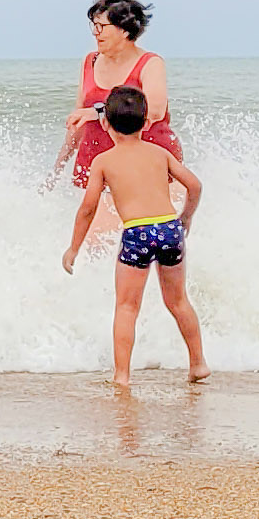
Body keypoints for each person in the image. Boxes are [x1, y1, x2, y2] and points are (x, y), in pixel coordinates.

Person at [60, 84, 207, 386]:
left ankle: (122, 375)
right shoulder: (160, 152)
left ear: (105, 123)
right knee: (178, 301)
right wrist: (186, 217)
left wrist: (73, 248)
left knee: (127, 307)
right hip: (169, 228)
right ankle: (198, 363)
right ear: (145, 122)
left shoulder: (103, 161)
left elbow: (88, 209)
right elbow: (194, 185)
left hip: (137, 233)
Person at [51, 0, 184, 183]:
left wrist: (98, 113)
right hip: (96, 162)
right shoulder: (90, 61)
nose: (96, 32)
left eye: (102, 26)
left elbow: (154, 111)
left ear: (124, 30)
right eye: (94, 26)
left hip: (146, 163)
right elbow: (79, 121)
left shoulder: (150, 63)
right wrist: (57, 169)